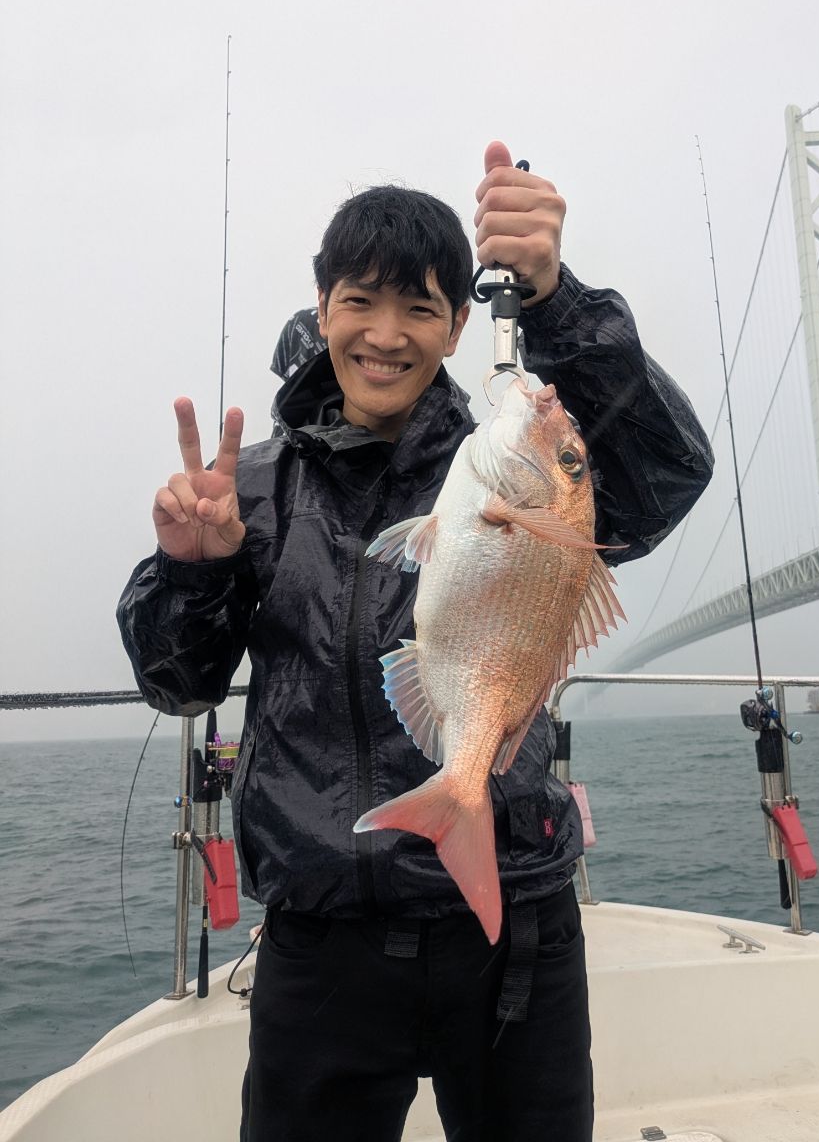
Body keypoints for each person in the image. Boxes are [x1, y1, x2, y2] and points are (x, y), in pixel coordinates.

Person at [117, 141, 714, 1142]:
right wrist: (194, 568)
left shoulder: (508, 461)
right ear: (320, 307)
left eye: (420, 308)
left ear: (457, 325)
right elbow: (177, 682)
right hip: (321, 939)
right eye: (359, 302)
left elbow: (667, 470)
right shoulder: (254, 490)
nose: (385, 335)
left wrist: (557, 299)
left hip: (511, 924)